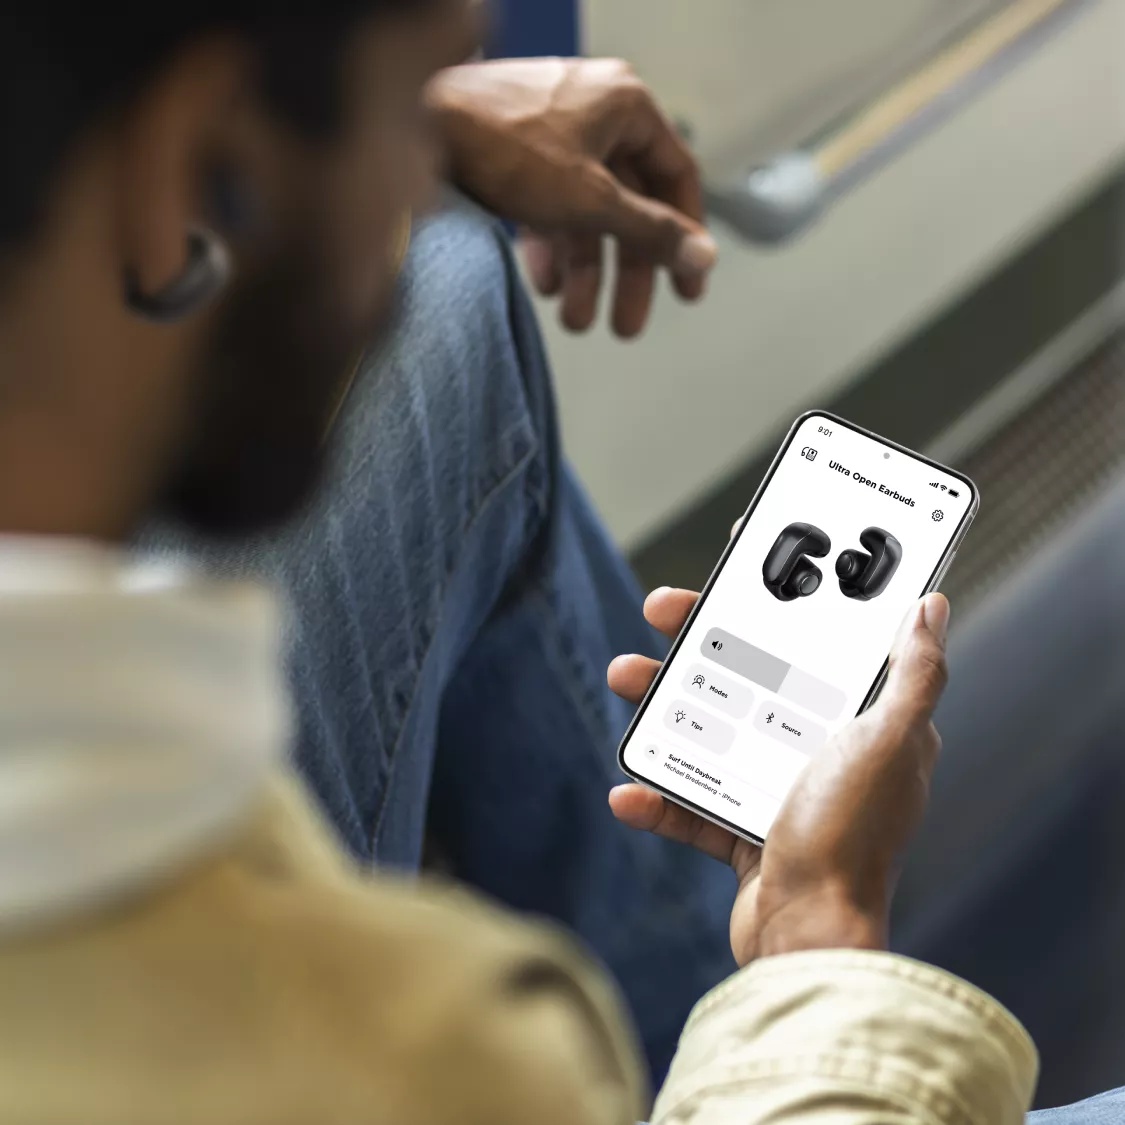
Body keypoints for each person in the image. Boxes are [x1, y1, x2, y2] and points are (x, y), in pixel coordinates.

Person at [0, 1, 1074, 1120]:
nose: (410, 188)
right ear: (200, 157)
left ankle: (682, 1012)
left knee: (450, 288)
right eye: (407, 93)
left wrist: (384, 121)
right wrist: (815, 941)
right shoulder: (428, 1056)